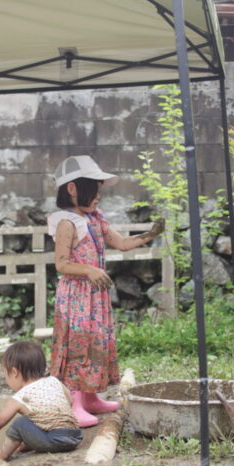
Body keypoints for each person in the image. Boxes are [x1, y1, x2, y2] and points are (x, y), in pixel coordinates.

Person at [47, 155, 164, 427]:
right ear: (73, 188)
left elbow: (121, 243)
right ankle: (74, 403)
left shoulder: (96, 219)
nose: (99, 194)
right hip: (76, 295)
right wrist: (89, 270)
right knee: (78, 344)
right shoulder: (67, 222)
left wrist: (149, 235)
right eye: (93, 187)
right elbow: (61, 264)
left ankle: (90, 398)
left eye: (100, 188)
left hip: (95, 295)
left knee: (96, 341)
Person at [0, 340, 82, 460]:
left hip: (54, 441)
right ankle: (29, 442)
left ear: (14, 372)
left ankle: (3, 452)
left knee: (20, 423)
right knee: (34, 418)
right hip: (75, 436)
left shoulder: (21, 397)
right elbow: (69, 401)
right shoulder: (54, 381)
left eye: (6, 375)